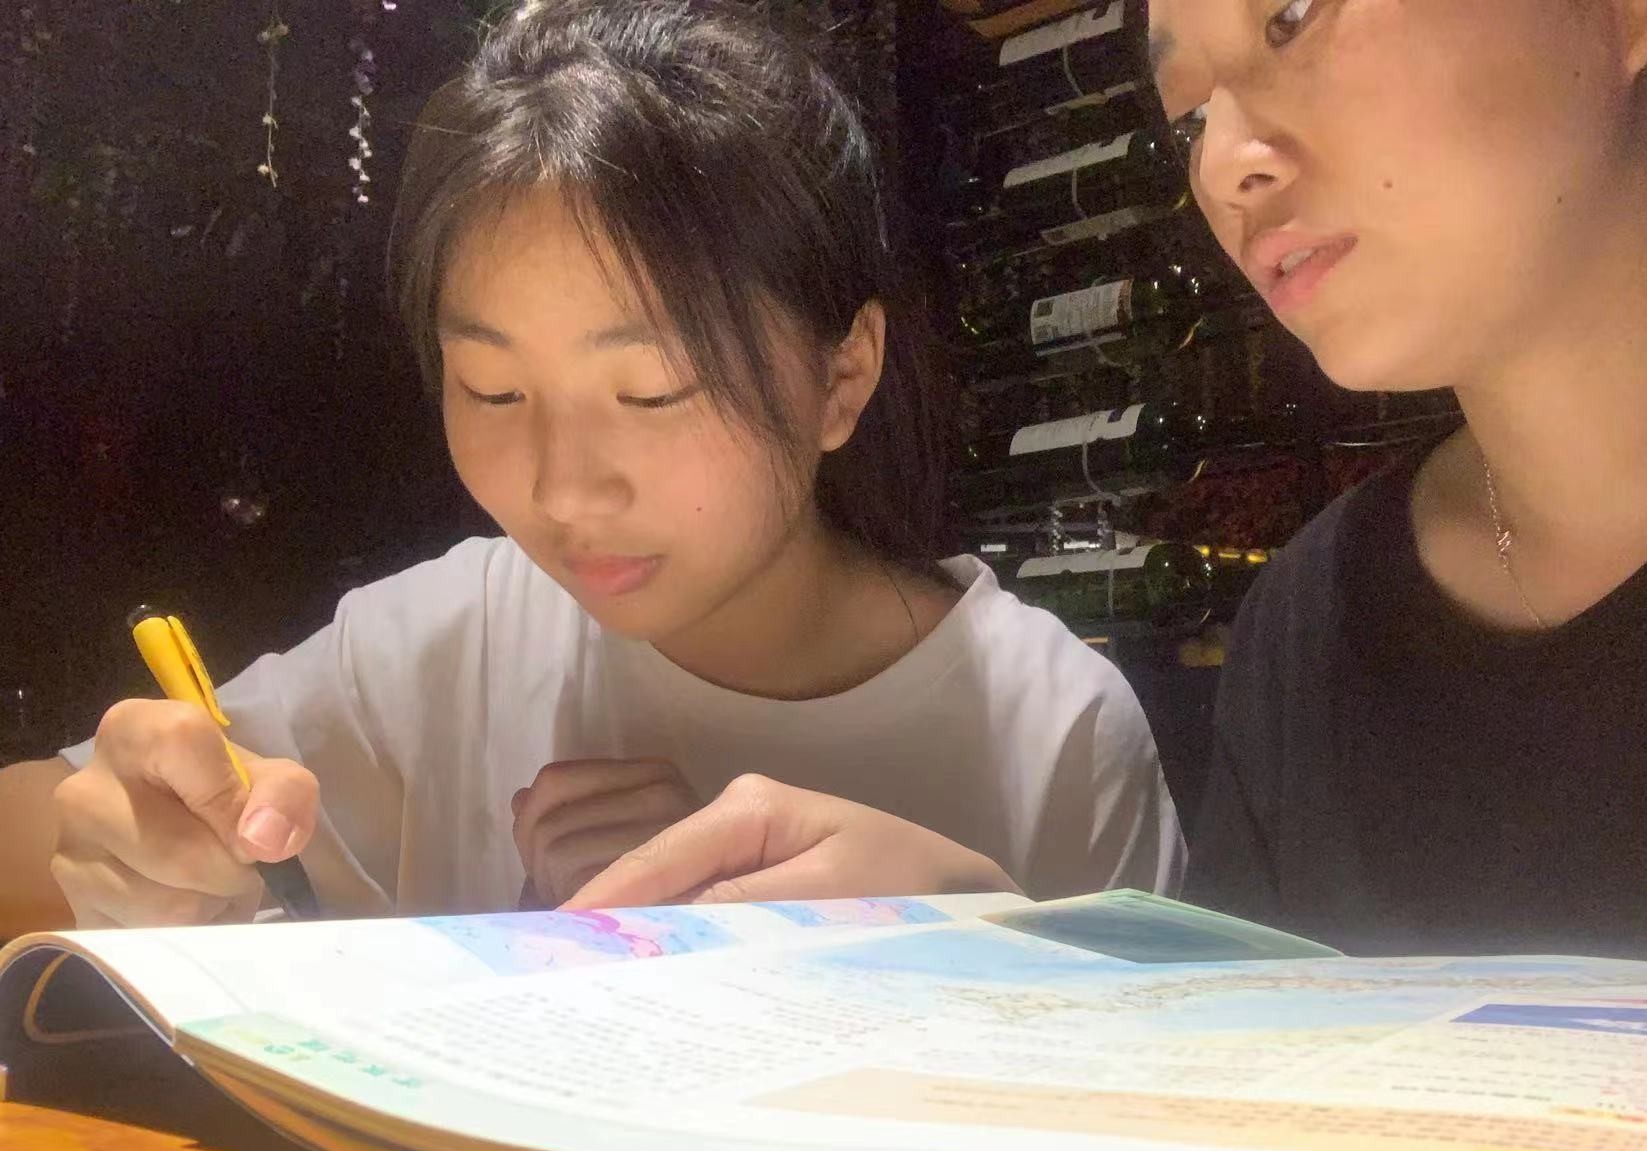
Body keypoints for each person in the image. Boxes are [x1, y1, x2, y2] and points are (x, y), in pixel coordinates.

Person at [0, 0, 1184, 938]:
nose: (562, 491)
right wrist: (122, 837)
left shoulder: (1051, 732)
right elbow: (41, 837)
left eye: (652, 391)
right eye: (492, 390)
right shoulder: (448, 644)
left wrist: (965, 958)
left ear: (841, 379)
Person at [569, 0, 1647, 962]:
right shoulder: (1313, 625)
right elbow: (1275, 1084)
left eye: (1291, 19)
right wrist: (999, 945)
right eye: (1188, 116)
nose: (1225, 163)